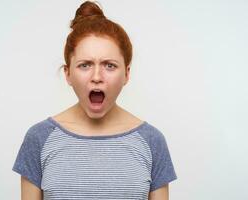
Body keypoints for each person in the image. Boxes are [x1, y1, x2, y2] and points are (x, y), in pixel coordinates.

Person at [12, 1, 177, 199]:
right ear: (68, 74)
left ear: (126, 74)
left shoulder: (152, 141)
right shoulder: (39, 138)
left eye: (109, 65)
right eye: (85, 65)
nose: (97, 76)